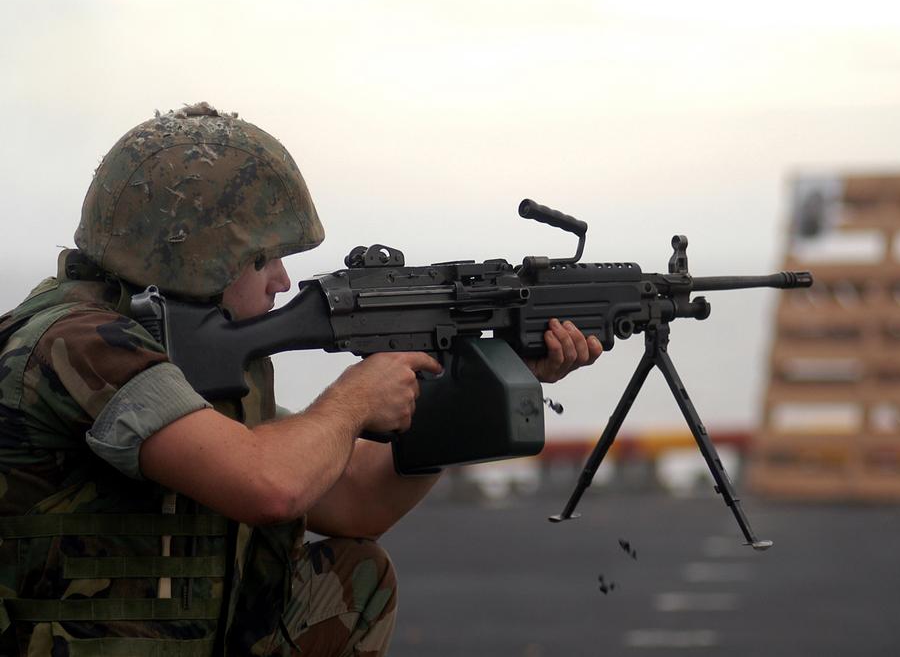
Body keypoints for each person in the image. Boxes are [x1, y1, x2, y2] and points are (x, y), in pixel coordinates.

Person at [0, 103, 602, 656]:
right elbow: (270, 485)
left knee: (354, 577)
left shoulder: (174, 354)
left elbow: (356, 503)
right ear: (197, 256)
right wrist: (353, 399)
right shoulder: (77, 343)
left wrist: (486, 384)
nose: (283, 281)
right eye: (263, 258)